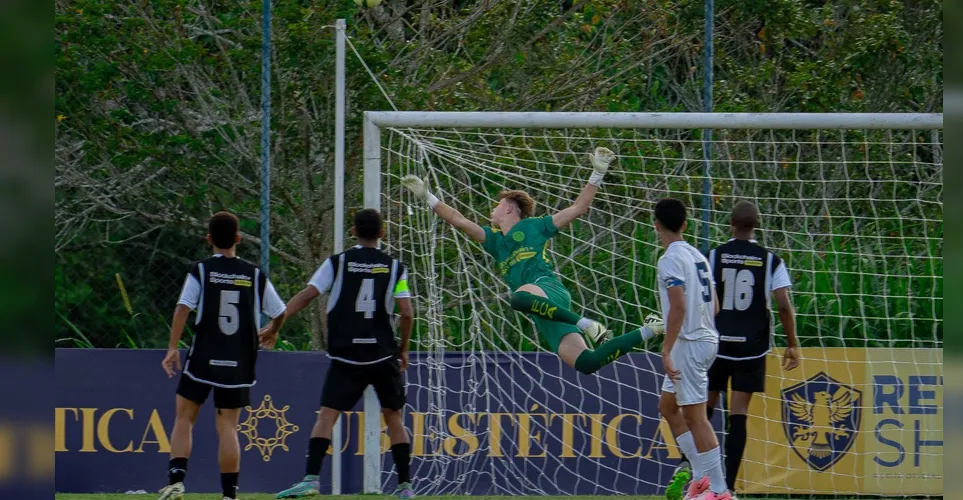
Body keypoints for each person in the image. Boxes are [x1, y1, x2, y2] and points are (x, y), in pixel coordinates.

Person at [400, 147, 663, 375]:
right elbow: (458, 219)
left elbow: (578, 208)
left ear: (509, 208)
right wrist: (428, 197)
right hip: (542, 312)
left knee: (518, 299)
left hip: (546, 288)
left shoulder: (535, 226)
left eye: (496, 205)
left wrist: (597, 173)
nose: (491, 210)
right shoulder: (494, 240)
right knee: (587, 363)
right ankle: (650, 330)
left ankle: (586, 323)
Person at [274, 208, 416, 499]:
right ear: (382, 233)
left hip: (346, 355)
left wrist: (276, 323)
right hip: (381, 354)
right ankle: (405, 487)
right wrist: (402, 350)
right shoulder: (395, 268)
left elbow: (307, 294)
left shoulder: (337, 264)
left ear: (353, 232)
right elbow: (406, 312)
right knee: (394, 418)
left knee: (327, 416)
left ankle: (311, 479)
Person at [158, 211, 288, 500]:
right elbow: (280, 312)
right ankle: (230, 495)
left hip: (204, 356)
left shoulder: (202, 270)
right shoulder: (254, 274)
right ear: (239, 239)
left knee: (184, 418)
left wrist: (172, 348)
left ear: (208, 239)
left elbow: (183, 308)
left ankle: (177, 482)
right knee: (228, 426)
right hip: (239, 360)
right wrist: (272, 331)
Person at [704, 200, 799, 495]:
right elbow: (783, 304)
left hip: (716, 345)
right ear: (756, 225)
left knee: (704, 408)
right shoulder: (771, 260)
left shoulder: (714, 255)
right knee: (738, 414)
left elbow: (702, 297)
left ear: (730, 222)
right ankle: (727, 489)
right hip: (751, 348)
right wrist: (792, 343)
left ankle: (698, 480)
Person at [652, 198, 730, 500]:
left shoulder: (669, 259)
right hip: (705, 338)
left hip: (690, 344)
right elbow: (716, 305)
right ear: (684, 224)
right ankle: (700, 478)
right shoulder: (698, 256)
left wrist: (668, 348)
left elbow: (679, 306)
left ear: (656, 225)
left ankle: (720, 492)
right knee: (668, 407)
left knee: (696, 416)